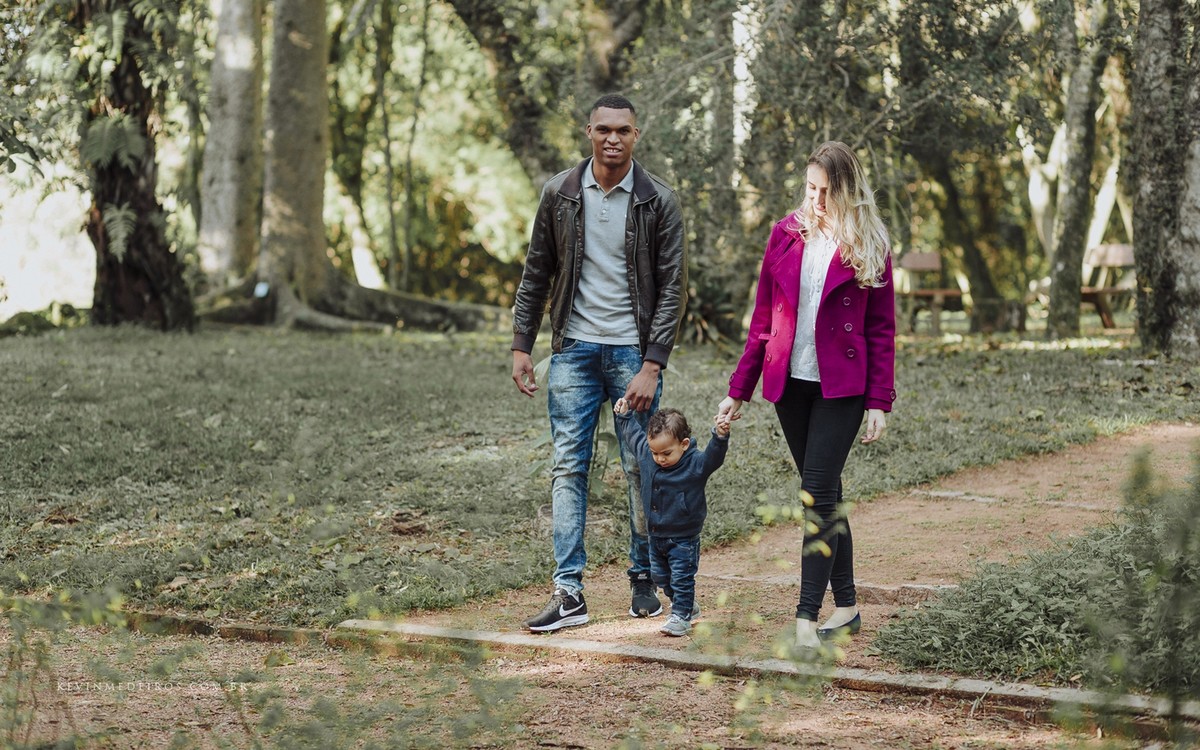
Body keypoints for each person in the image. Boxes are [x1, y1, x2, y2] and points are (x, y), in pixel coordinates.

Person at [510, 94, 688, 633]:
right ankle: (569, 592)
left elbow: (673, 287)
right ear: (589, 132)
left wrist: (652, 365)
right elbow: (536, 271)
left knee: (640, 466)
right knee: (569, 465)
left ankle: (642, 579)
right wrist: (522, 343)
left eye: (623, 130)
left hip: (633, 354)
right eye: (604, 129)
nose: (613, 138)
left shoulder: (659, 200)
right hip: (574, 351)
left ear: (637, 135)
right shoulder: (560, 193)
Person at [716, 141, 896, 649]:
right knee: (826, 492)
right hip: (789, 385)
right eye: (811, 188)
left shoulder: (871, 243)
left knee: (816, 494)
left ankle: (804, 620)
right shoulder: (785, 234)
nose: (816, 200)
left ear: (848, 190)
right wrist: (739, 390)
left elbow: (881, 329)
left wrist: (879, 401)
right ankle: (848, 606)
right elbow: (762, 320)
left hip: (843, 387)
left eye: (826, 191)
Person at [612, 400, 730, 636]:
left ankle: (681, 616)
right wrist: (624, 417)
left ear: (684, 444)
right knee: (660, 577)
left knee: (682, 578)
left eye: (666, 453)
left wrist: (720, 436)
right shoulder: (648, 455)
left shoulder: (695, 463)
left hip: (684, 538)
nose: (660, 458)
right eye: (655, 452)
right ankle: (687, 606)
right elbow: (634, 437)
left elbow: (713, 458)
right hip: (656, 535)